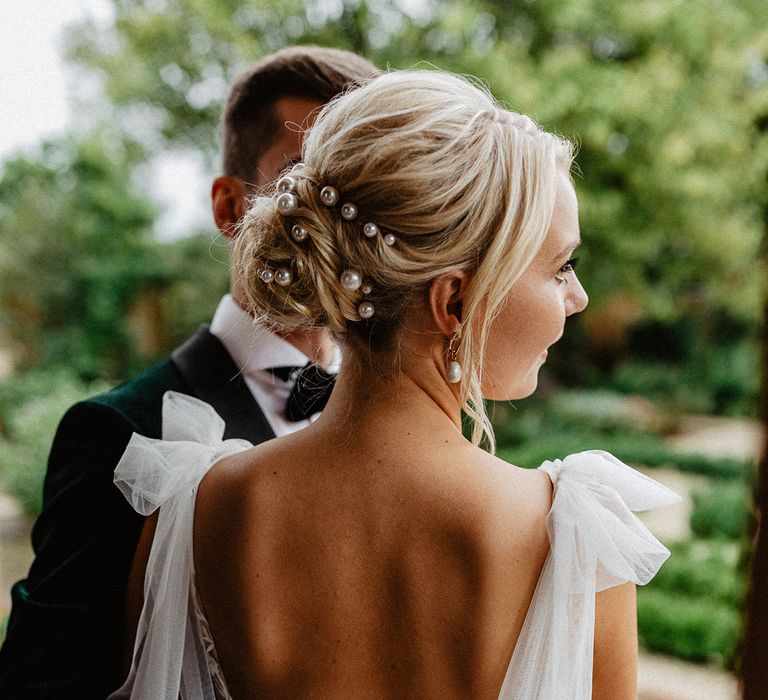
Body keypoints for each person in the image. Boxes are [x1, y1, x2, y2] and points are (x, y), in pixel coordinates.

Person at [110, 70, 680, 698]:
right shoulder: (572, 538)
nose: (578, 298)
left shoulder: (196, 512)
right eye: (561, 266)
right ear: (454, 301)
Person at [0, 46, 378, 698]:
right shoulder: (115, 435)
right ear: (230, 208)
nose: (341, 219)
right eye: (303, 182)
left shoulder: (407, 416)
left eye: (365, 188)